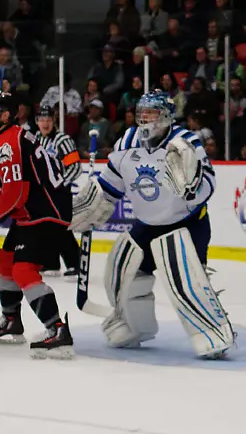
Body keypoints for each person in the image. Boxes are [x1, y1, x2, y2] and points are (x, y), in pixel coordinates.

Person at [69, 91, 234, 358]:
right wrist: (93, 206)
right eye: (142, 113)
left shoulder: (185, 142)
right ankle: (134, 326)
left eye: (152, 113)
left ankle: (212, 332)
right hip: (147, 223)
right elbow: (111, 186)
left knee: (186, 279)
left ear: (166, 116)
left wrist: (192, 187)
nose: (145, 118)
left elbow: (208, 185)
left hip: (187, 223)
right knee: (123, 271)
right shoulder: (127, 142)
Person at [0, 91, 74, 358]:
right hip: (36, 212)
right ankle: (12, 320)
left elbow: (16, 192)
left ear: (5, 114)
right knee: (6, 260)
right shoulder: (13, 137)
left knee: (23, 269)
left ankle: (57, 329)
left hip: (44, 213)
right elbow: (13, 184)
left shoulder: (8, 142)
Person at [34, 103, 83, 278]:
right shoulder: (34, 140)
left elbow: (75, 167)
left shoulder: (63, 140)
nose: (45, 123)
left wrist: (60, 184)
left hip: (60, 193)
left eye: (48, 119)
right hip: (42, 193)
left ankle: (75, 264)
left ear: (54, 121)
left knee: (61, 227)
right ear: (37, 121)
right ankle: (50, 262)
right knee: (45, 226)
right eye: (42, 119)